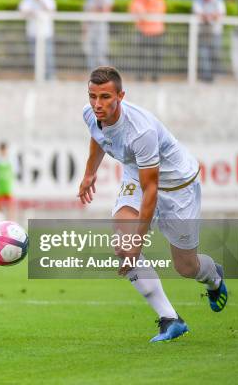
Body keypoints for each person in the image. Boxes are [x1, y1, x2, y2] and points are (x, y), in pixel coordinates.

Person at [78, 66, 228, 342]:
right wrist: (90, 173)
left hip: (178, 186)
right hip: (138, 174)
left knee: (186, 267)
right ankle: (170, 319)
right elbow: (98, 137)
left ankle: (213, 277)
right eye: (93, 96)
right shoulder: (90, 114)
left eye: (105, 97)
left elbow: (152, 190)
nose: (97, 104)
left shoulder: (141, 131)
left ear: (121, 96)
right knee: (123, 244)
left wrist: (139, 240)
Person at [19, 0, 56, 80]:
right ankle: (39, 76)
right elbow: (23, 12)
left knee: (48, 56)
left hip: (46, 33)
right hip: (32, 33)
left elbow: (51, 10)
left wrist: (40, 0)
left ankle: (50, 77)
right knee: (34, 56)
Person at [129, 0, 165, 81]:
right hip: (142, 31)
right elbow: (133, 12)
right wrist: (145, 14)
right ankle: (140, 77)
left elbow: (157, 14)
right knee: (141, 56)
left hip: (157, 32)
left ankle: (155, 77)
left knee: (157, 56)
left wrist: (143, 13)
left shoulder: (159, 0)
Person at [193, 0, 226, 82]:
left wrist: (207, 16)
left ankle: (214, 75)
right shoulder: (198, 0)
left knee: (215, 53)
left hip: (215, 32)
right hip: (202, 32)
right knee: (203, 54)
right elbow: (198, 13)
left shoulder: (219, 1)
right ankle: (206, 76)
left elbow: (220, 14)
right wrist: (210, 16)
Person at [83, 0, 113, 70]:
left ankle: (105, 73)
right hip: (91, 28)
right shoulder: (89, 0)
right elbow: (86, 14)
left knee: (101, 51)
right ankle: (92, 73)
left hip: (101, 28)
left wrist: (95, 7)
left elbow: (105, 10)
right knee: (90, 52)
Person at [0, 141, 17, 222]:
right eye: (2, 149)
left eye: (4, 149)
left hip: (8, 187)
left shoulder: (11, 160)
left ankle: (11, 221)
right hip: (0, 187)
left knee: (10, 206)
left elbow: (14, 173)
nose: (3, 151)